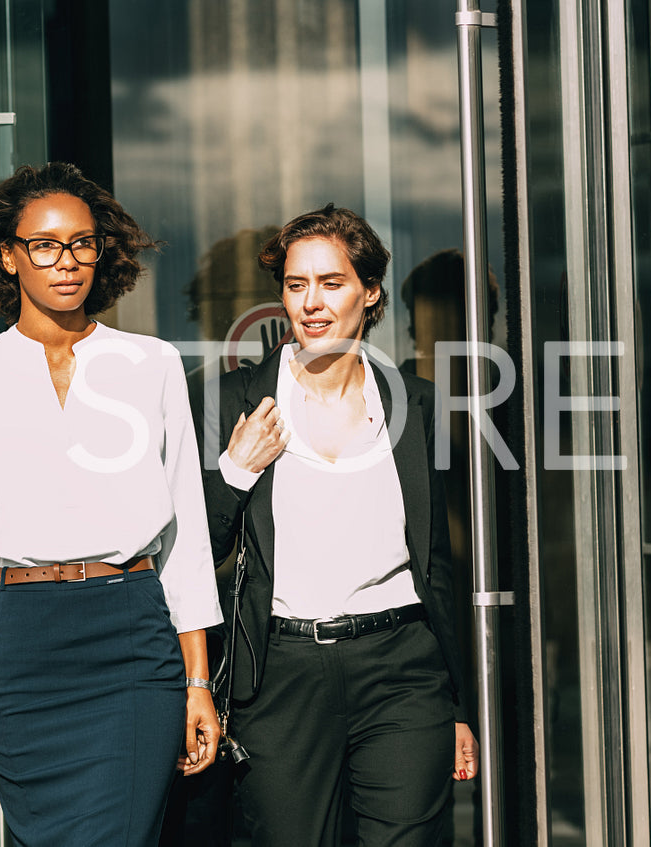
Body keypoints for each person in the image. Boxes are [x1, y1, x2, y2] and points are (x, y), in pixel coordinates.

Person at [0, 162, 225, 846]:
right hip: (22, 647)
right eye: (44, 244)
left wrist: (197, 681)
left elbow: (181, 536)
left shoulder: (150, 364)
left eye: (82, 243)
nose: (66, 263)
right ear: (7, 254)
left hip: (131, 637)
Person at [203, 205, 478, 846]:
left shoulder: (416, 402)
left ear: (371, 292)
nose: (312, 303)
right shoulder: (232, 401)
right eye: (297, 285)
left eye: (332, 283)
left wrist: (456, 705)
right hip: (280, 673)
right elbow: (195, 551)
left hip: (402, 668)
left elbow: (439, 561)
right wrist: (237, 471)